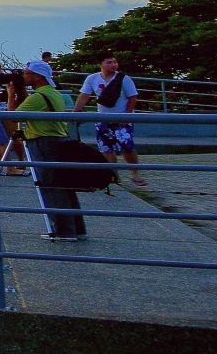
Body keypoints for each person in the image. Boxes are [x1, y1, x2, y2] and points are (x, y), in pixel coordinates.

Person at [19, 62, 89, 239]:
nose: (24, 76)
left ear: (38, 76)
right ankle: (77, 230)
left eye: (26, 73)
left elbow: (12, 116)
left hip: (43, 142)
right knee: (64, 185)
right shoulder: (54, 93)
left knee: (51, 186)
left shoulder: (38, 97)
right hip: (57, 140)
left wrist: (12, 93)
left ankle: (64, 231)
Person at [79, 54, 144, 185]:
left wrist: (126, 116)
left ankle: (135, 173)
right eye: (109, 62)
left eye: (115, 62)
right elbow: (84, 95)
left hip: (122, 118)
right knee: (106, 148)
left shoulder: (124, 79)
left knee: (127, 146)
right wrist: (75, 112)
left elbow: (132, 98)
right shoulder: (92, 78)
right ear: (101, 64)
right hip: (102, 118)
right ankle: (114, 175)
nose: (113, 65)